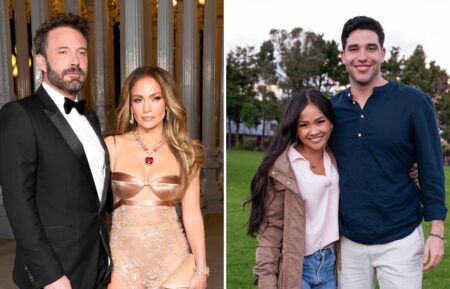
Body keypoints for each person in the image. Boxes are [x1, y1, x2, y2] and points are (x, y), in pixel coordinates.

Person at [329, 16, 447, 289]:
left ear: (382, 53)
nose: (362, 56)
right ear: (343, 55)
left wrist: (437, 232)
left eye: (371, 48)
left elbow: (431, 167)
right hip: (348, 240)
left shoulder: (414, 102)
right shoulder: (332, 109)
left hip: (401, 238)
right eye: (354, 49)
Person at [0, 13, 111, 289]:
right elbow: (18, 203)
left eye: (81, 52)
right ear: (41, 61)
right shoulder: (20, 115)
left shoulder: (91, 119)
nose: (75, 61)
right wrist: (49, 275)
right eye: (63, 52)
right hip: (55, 272)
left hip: (98, 261)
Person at [104, 66, 209, 289]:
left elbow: (192, 215)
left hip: (171, 259)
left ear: (167, 103)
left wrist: (201, 269)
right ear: (130, 106)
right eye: (138, 100)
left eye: (155, 98)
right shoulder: (112, 146)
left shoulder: (187, 153)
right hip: (124, 263)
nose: (147, 108)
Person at [247, 89, 339, 289]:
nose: (313, 131)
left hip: (331, 264)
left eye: (320, 121)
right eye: (304, 125)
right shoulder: (283, 168)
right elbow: (271, 229)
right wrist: (266, 280)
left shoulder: (337, 157)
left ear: (331, 122)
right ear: (295, 129)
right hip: (297, 268)